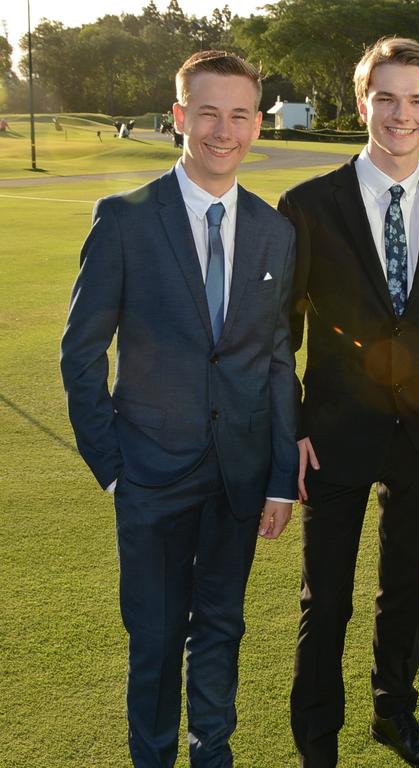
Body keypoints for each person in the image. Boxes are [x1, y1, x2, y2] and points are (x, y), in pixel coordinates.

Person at [59, 50, 298, 767]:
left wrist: (282, 475)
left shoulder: (273, 230)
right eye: (206, 112)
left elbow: (277, 358)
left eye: (237, 115)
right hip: (149, 475)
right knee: (158, 640)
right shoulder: (125, 219)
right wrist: (111, 466)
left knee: (222, 627)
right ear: (178, 117)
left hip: (240, 476)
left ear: (256, 125)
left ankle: (212, 754)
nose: (222, 130)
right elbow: (80, 354)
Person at [279, 36, 419, 768]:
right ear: (362, 101)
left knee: (406, 587)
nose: (402, 114)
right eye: (387, 98)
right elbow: (282, 334)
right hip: (331, 436)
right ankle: (317, 742)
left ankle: (396, 714)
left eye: (418, 101)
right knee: (324, 598)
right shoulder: (306, 204)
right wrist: (291, 427)